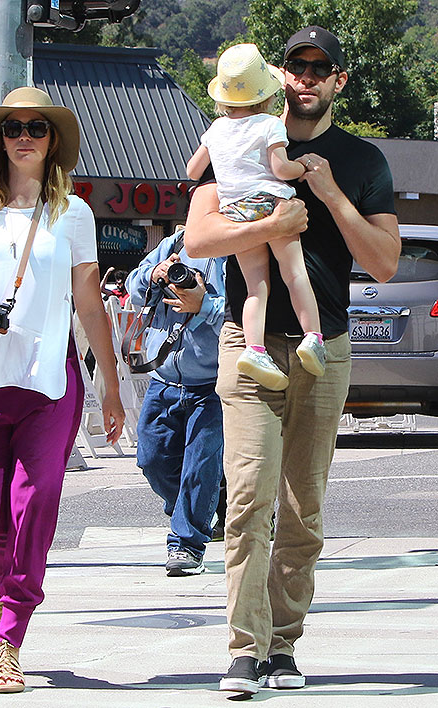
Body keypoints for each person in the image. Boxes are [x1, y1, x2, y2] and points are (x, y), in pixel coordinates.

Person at [184, 26, 400, 695]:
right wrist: (269, 228)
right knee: (248, 501)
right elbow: (199, 235)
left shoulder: (363, 162)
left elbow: (384, 264)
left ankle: (283, 645)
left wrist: (330, 192)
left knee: (302, 509)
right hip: (247, 348)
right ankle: (245, 649)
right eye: (297, 66)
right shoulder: (240, 130)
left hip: (324, 349)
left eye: (320, 68)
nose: (306, 78)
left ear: (339, 80)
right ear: (280, 74)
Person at [0, 87, 124, 694]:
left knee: (35, 506)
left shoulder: (75, 214)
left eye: (36, 128)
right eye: (13, 128)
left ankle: (12, 634)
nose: (24, 137)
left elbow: (90, 305)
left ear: (52, 140)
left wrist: (110, 387)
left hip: (48, 385)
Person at [186, 43, 324, 391]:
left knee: (255, 286)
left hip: (237, 213)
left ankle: (255, 348)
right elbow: (280, 168)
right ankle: (313, 337)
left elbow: (192, 171)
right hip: (273, 203)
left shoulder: (216, 128)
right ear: (265, 95)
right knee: (294, 274)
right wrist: (303, 165)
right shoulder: (268, 125)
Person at [125, 230, 226, 576]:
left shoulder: (240, 249)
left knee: (200, 466)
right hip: (164, 379)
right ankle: (202, 502)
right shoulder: (175, 244)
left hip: (213, 384)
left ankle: (186, 544)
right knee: (151, 458)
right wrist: (153, 275)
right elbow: (132, 288)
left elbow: (249, 310)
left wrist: (205, 304)